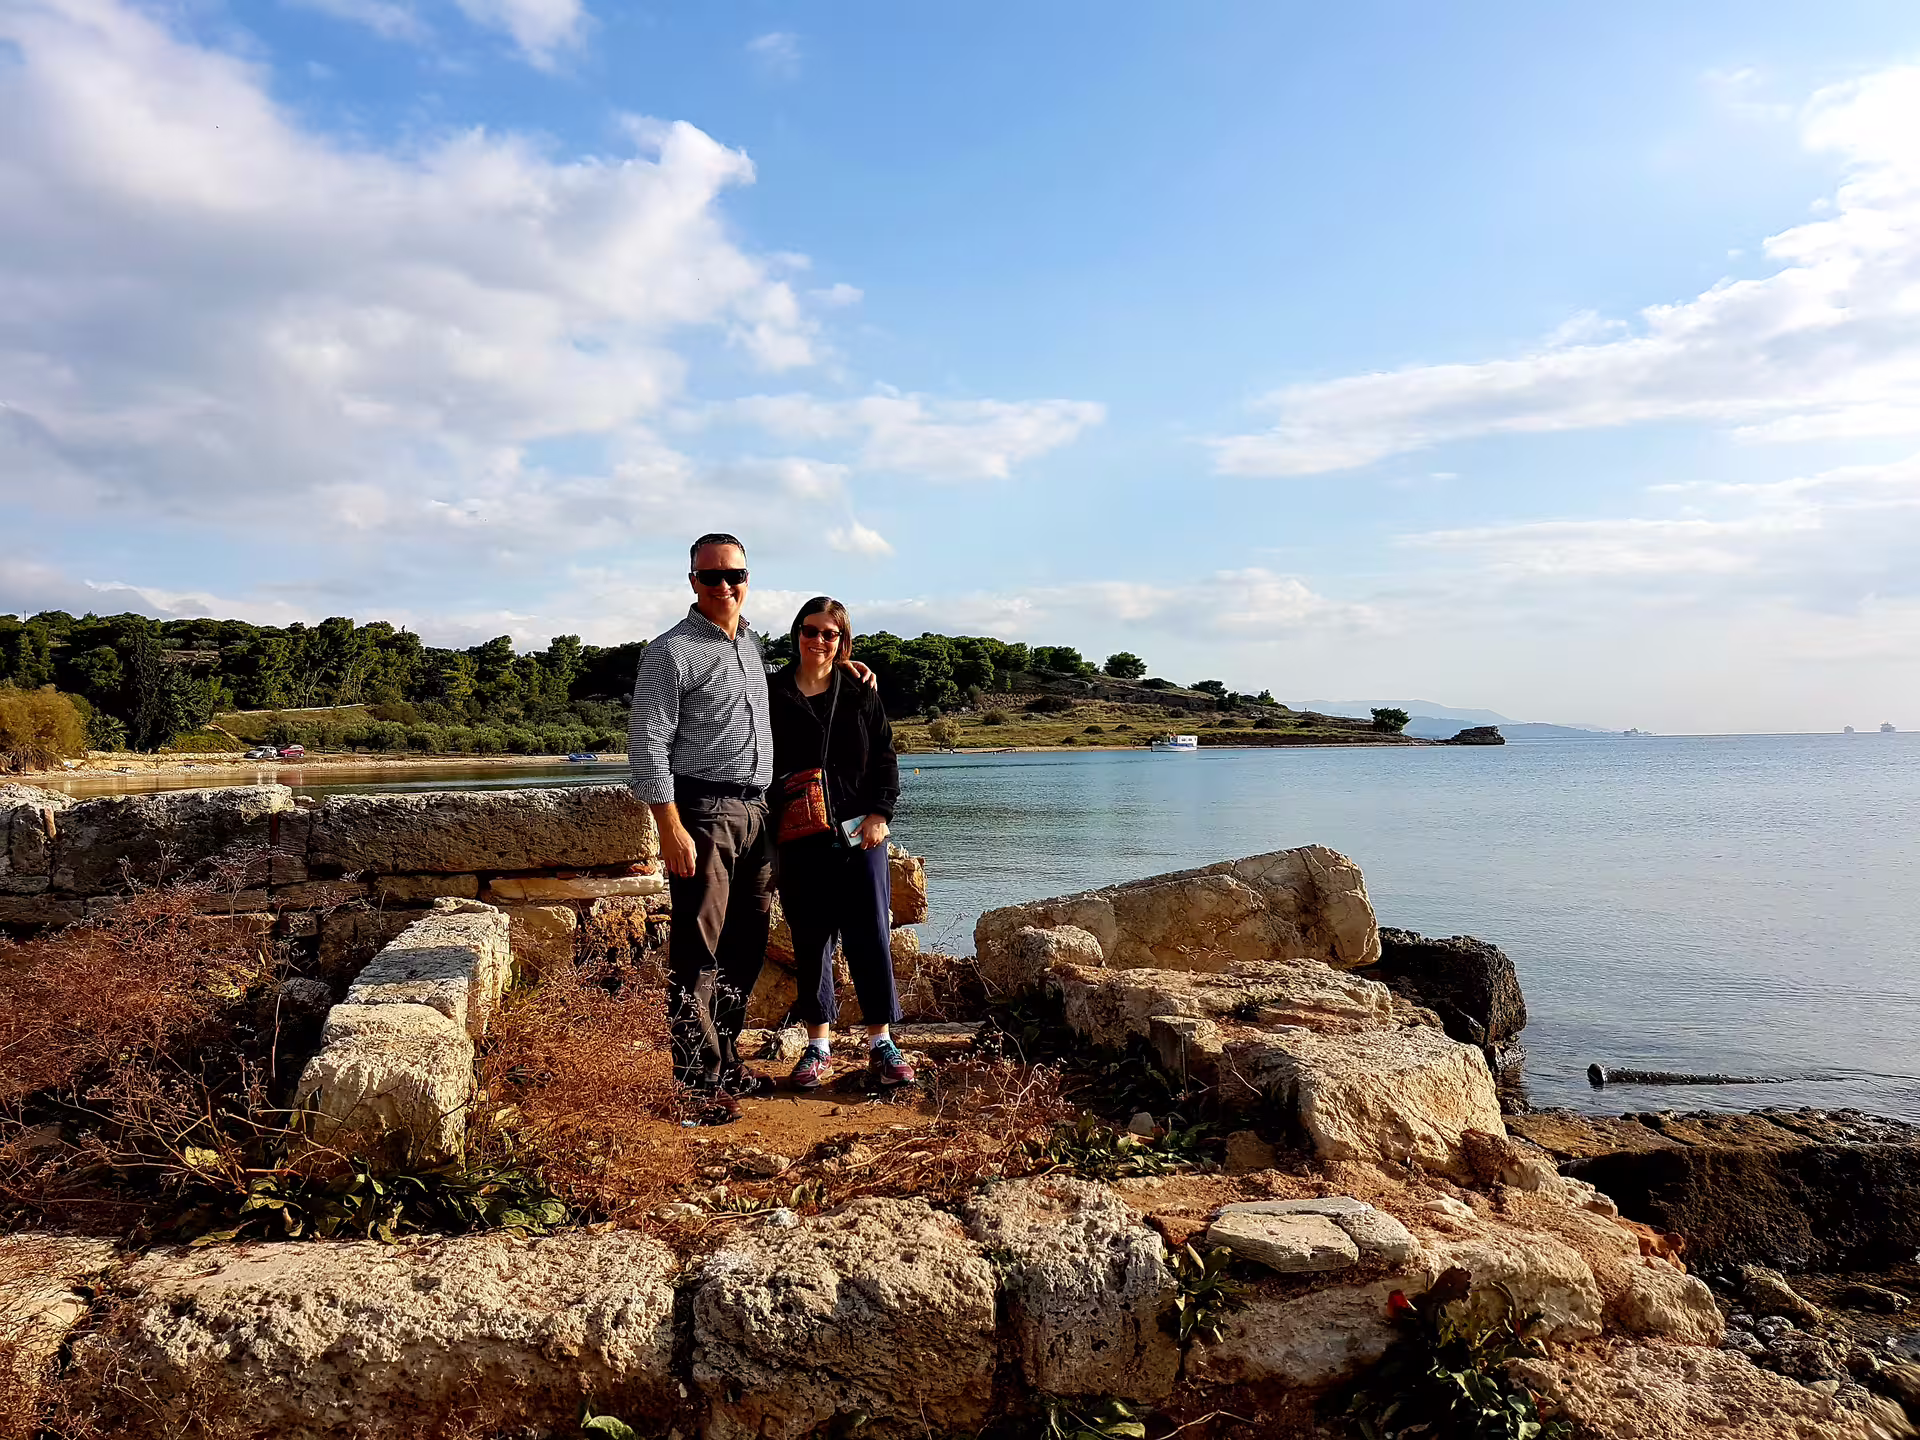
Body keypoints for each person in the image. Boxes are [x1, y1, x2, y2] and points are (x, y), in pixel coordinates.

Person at [627, 533, 780, 1122]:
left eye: (734, 575)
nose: (724, 586)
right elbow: (647, 743)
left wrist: (844, 664)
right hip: (704, 812)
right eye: (711, 577)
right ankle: (694, 1084)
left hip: (758, 811)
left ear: (748, 576)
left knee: (747, 945)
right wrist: (669, 825)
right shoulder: (669, 651)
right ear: (692, 581)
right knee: (699, 949)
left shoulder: (754, 643)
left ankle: (729, 1060)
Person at [769, 596, 916, 1092]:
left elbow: (885, 757)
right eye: (810, 632)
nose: (818, 641)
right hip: (797, 834)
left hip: (860, 832)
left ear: (843, 640)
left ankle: (881, 1041)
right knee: (810, 940)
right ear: (797, 635)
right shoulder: (772, 692)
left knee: (870, 935)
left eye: (829, 634)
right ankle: (818, 1046)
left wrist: (881, 814)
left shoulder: (859, 689)